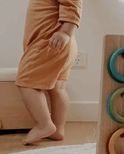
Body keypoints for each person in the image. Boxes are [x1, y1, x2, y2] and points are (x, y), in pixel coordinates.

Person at [16, 0, 82, 145]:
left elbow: (73, 4)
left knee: (26, 82)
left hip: (50, 42)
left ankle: (44, 124)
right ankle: (58, 129)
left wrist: (65, 32)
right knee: (58, 88)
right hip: (60, 44)